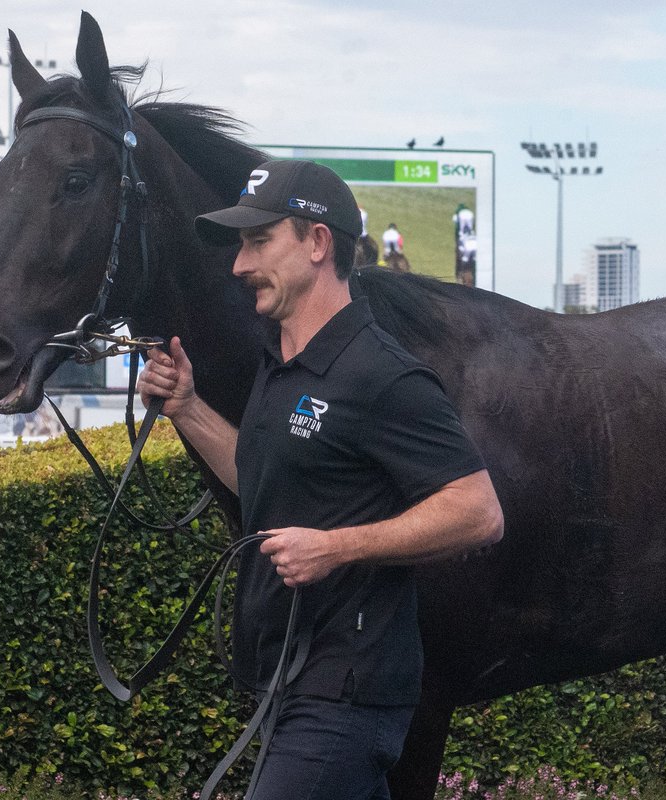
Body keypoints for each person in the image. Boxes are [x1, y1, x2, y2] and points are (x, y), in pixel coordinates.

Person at [137, 159, 503, 800]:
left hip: (347, 693)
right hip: (287, 680)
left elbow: (478, 510)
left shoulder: (384, 374)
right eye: (240, 246)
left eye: (259, 242)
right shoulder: (280, 365)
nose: (239, 265)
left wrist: (335, 547)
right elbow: (260, 480)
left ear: (317, 243)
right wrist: (188, 408)